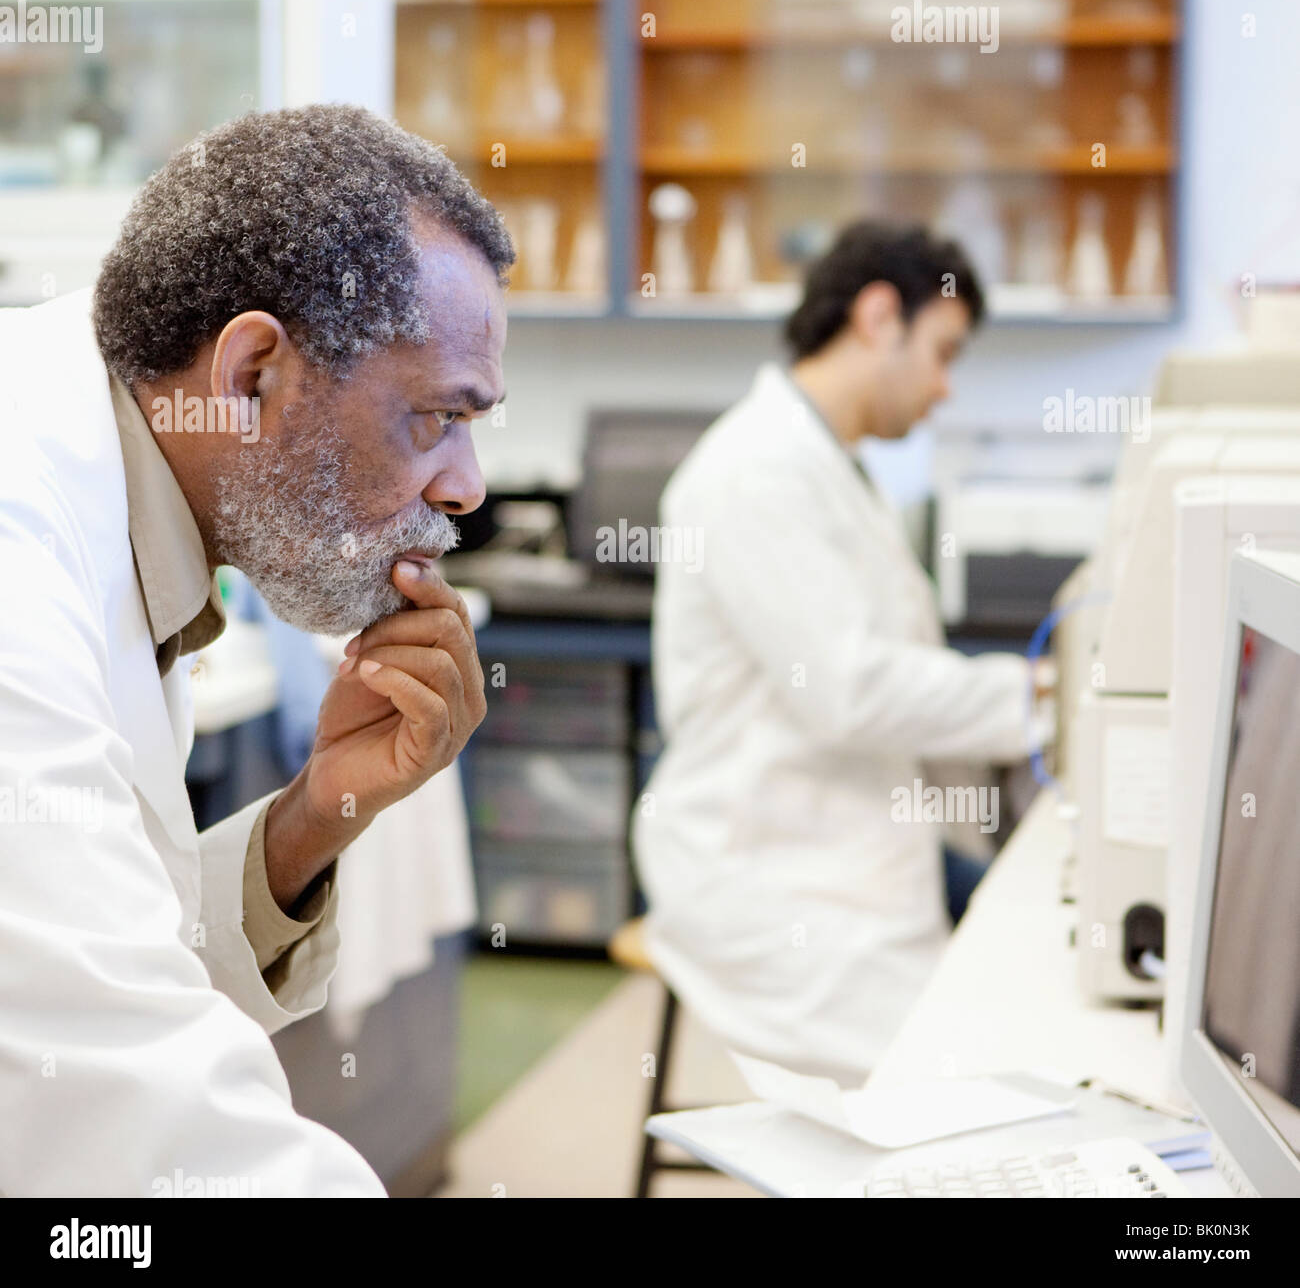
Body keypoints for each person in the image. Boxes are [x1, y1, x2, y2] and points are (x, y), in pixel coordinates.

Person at [0, 104, 511, 1195]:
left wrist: (318, 809)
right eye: (435, 418)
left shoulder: (128, 498)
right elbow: (125, 1109)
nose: (468, 487)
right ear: (248, 377)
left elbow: (125, 964)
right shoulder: (17, 540)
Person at [634, 220, 1036, 1087]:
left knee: (1029, 981)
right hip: (773, 874)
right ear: (880, 315)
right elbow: (846, 688)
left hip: (848, 841)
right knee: (952, 1092)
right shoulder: (756, 470)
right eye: (944, 352)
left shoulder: (832, 463)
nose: (944, 389)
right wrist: (1039, 699)